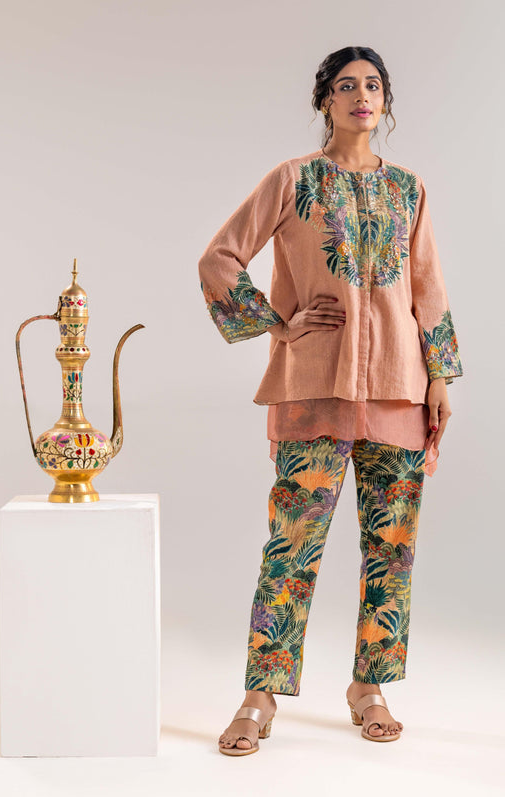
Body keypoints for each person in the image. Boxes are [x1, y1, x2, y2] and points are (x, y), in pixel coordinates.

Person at [198, 45, 463, 754]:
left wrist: (440, 375)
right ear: (325, 101)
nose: (360, 96)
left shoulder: (408, 189)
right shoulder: (293, 180)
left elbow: (428, 287)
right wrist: (276, 323)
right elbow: (219, 258)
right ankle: (259, 695)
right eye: (346, 86)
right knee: (291, 548)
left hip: (400, 391)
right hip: (313, 387)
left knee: (390, 549)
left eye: (372, 85)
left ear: (385, 100)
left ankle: (368, 687)